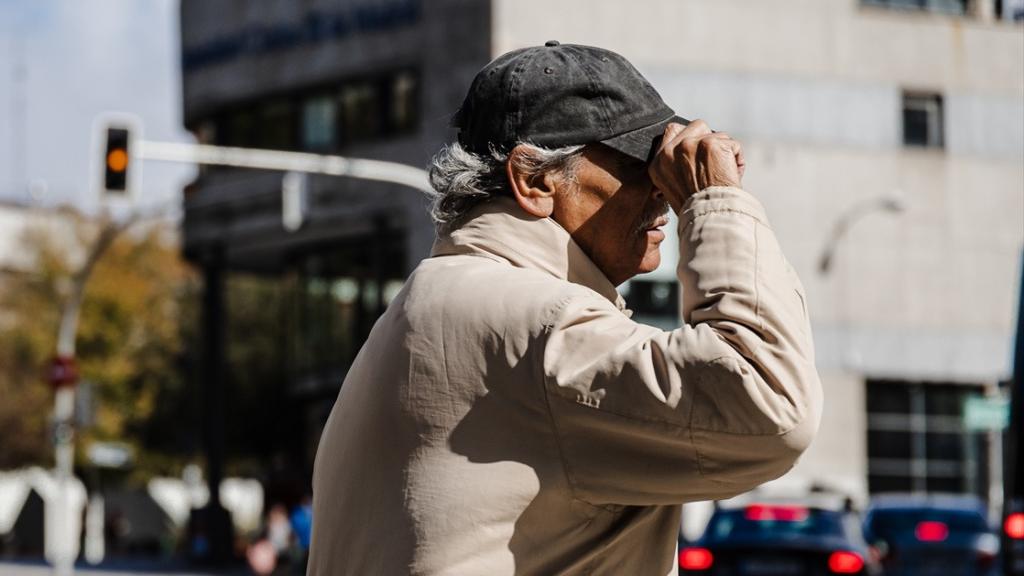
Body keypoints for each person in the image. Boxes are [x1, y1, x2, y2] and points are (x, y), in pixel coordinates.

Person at [307, 42, 822, 575]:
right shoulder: (529, 322)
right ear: (533, 180)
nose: (666, 190)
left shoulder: (439, 303)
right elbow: (768, 408)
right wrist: (717, 202)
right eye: (642, 162)